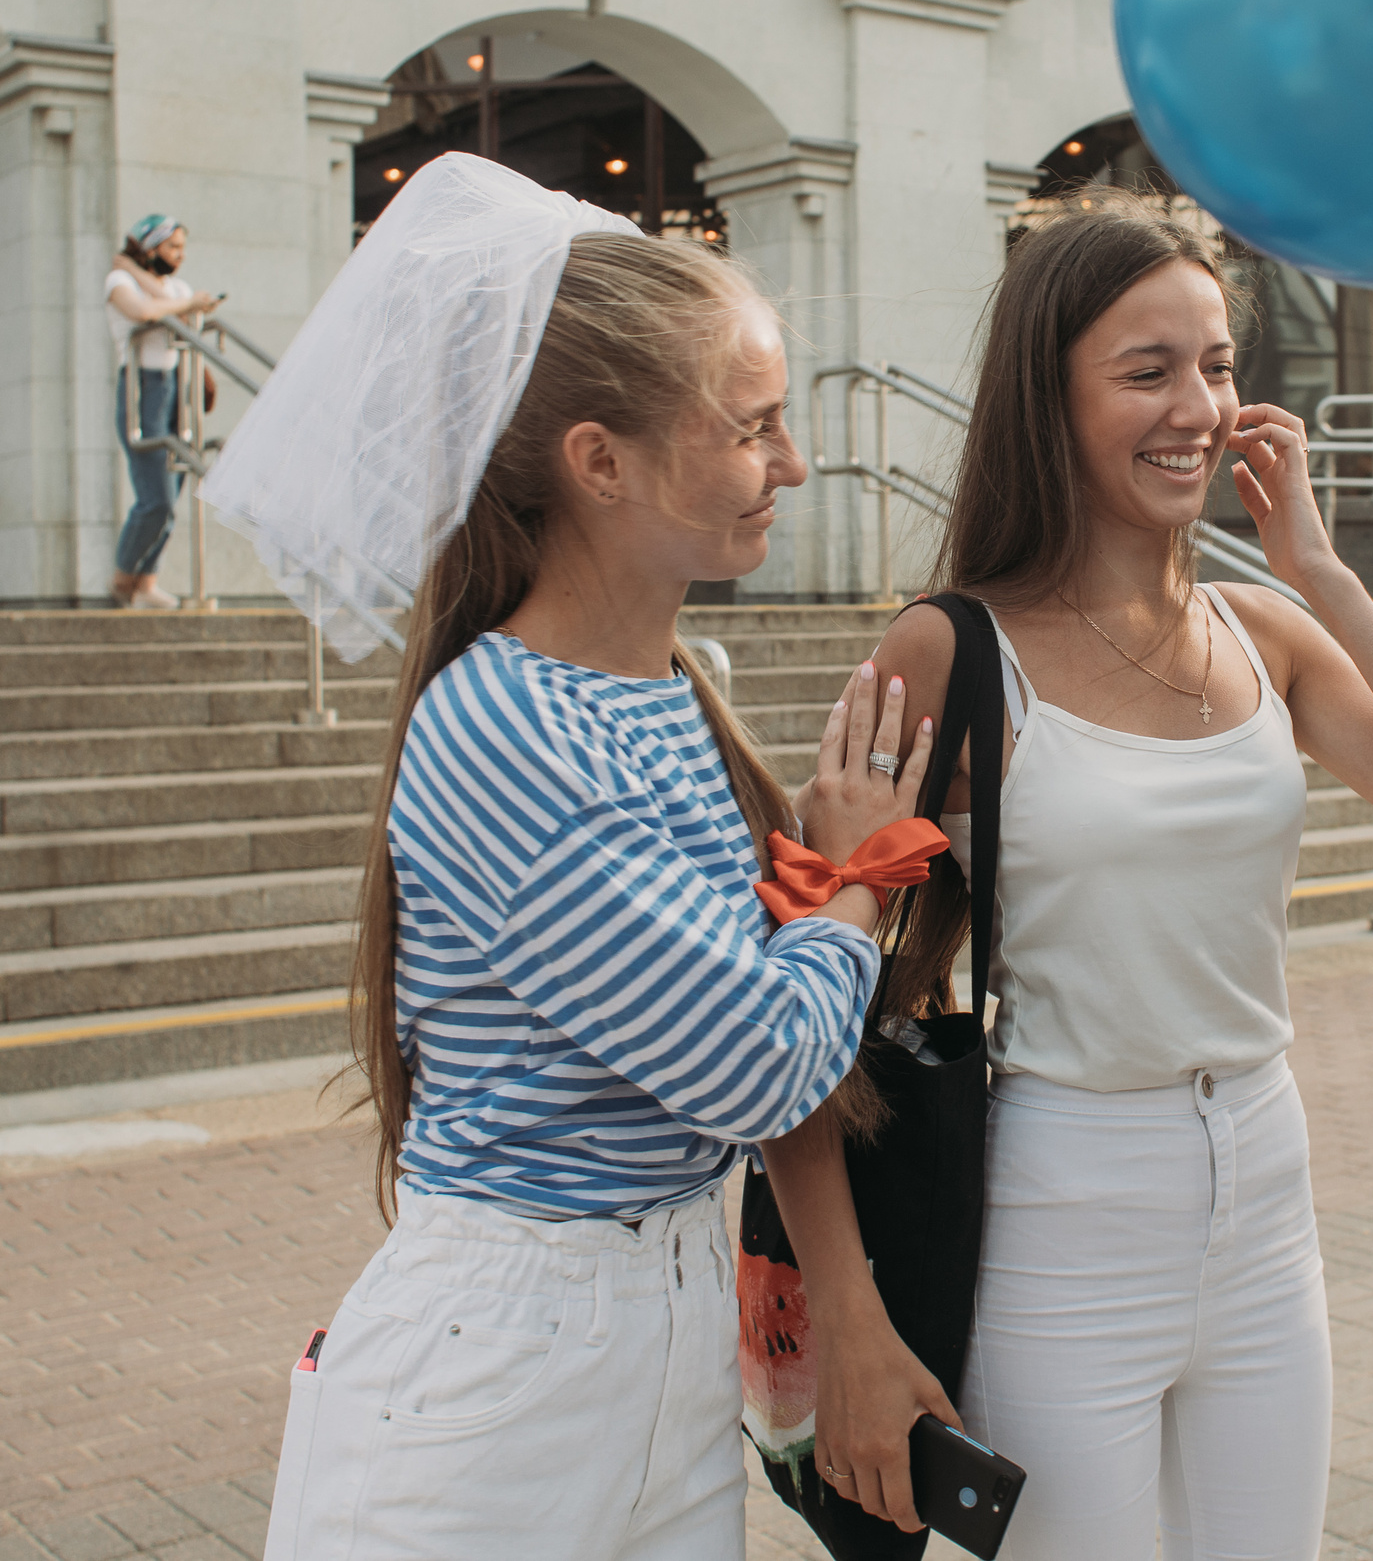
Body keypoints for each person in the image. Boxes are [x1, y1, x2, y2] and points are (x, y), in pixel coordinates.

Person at [206, 154, 922, 1560]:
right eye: (752, 426)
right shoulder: (506, 724)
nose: (791, 463)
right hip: (503, 1369)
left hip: (650, 1322)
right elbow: (759, 1062)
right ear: (599, 460)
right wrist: (846, 876)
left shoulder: (661, 688)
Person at [765, 194, 1373, 1560]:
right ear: (1048, 399)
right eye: (1147, 371)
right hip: (1064, 1197)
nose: (1196, 405)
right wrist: (844, 1310)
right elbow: (790, 999)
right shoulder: (947, 652)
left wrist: (1323, 568)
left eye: (1218, 365)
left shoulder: (1267, 629)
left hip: (1265, 1172)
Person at [103, 214, 222, 608]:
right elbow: (141, 311)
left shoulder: (173, 286)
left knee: (172, 494)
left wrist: (140, 271)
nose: (180, 256)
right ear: (150, 246)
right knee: (157, 501)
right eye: (173, 248)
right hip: (142, 388)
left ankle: (146, 584)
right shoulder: (117, 281)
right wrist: (188, 302)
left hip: (175, 388)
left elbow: (184, 317)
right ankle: (123, 578)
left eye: (183, 248)